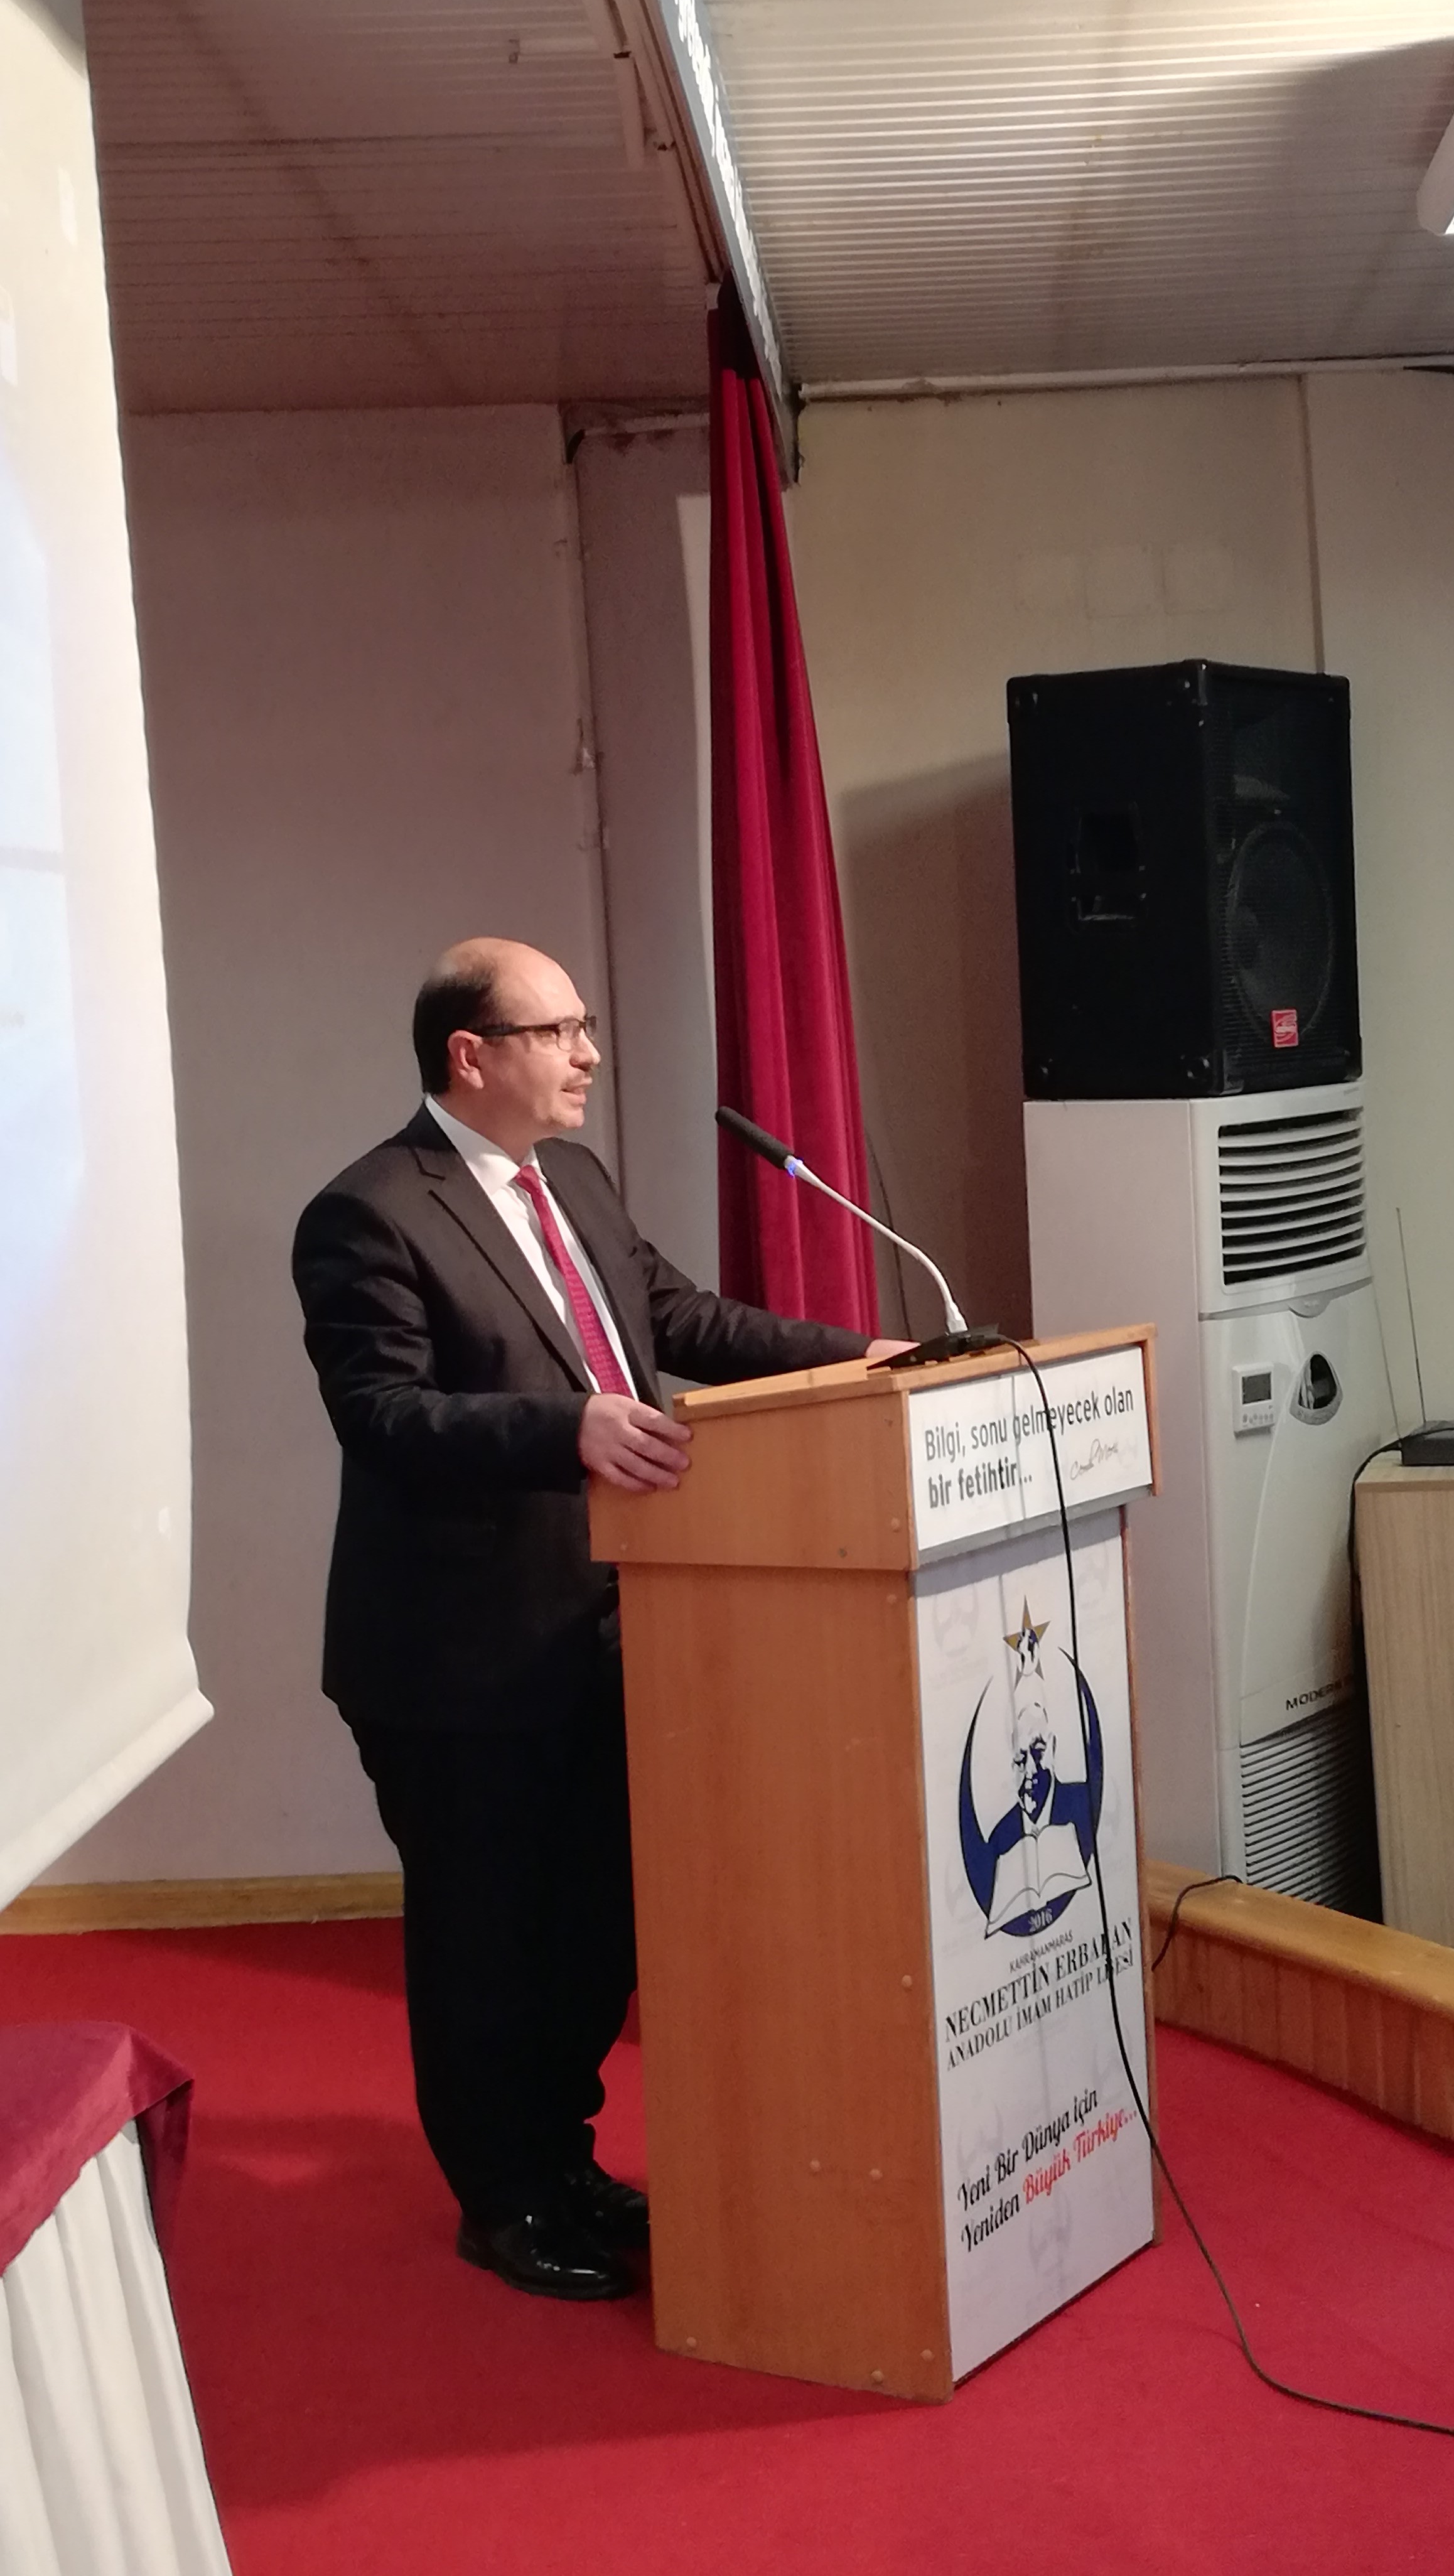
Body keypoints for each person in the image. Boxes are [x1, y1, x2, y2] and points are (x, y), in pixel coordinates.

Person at [293, 937, 903, 2300]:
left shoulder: (572, 1179)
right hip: (460, 1655)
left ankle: (561, 2160)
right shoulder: (369, 1214)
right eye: (559, 1030)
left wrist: (865, 1358)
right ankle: (502, 2199)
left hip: (616, 1629)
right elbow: (384, 1417)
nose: (589, 1053)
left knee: (594, 1926)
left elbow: (676, 1319)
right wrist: (565, 1428)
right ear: (471, 1055)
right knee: (486, 1937)